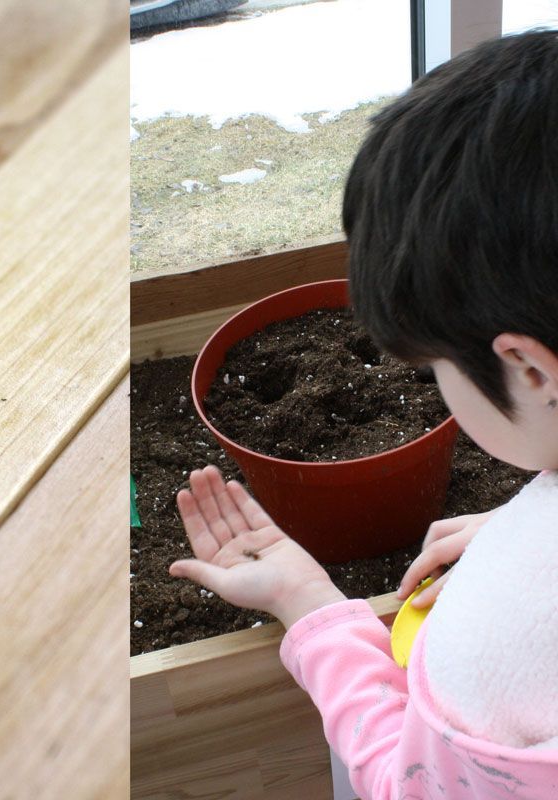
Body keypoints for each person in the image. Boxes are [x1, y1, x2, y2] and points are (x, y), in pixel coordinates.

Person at [169, 30, 558, 800]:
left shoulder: (508, 631)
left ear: (527, 367)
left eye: (436, 366)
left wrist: (312, 608)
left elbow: (409, 781)